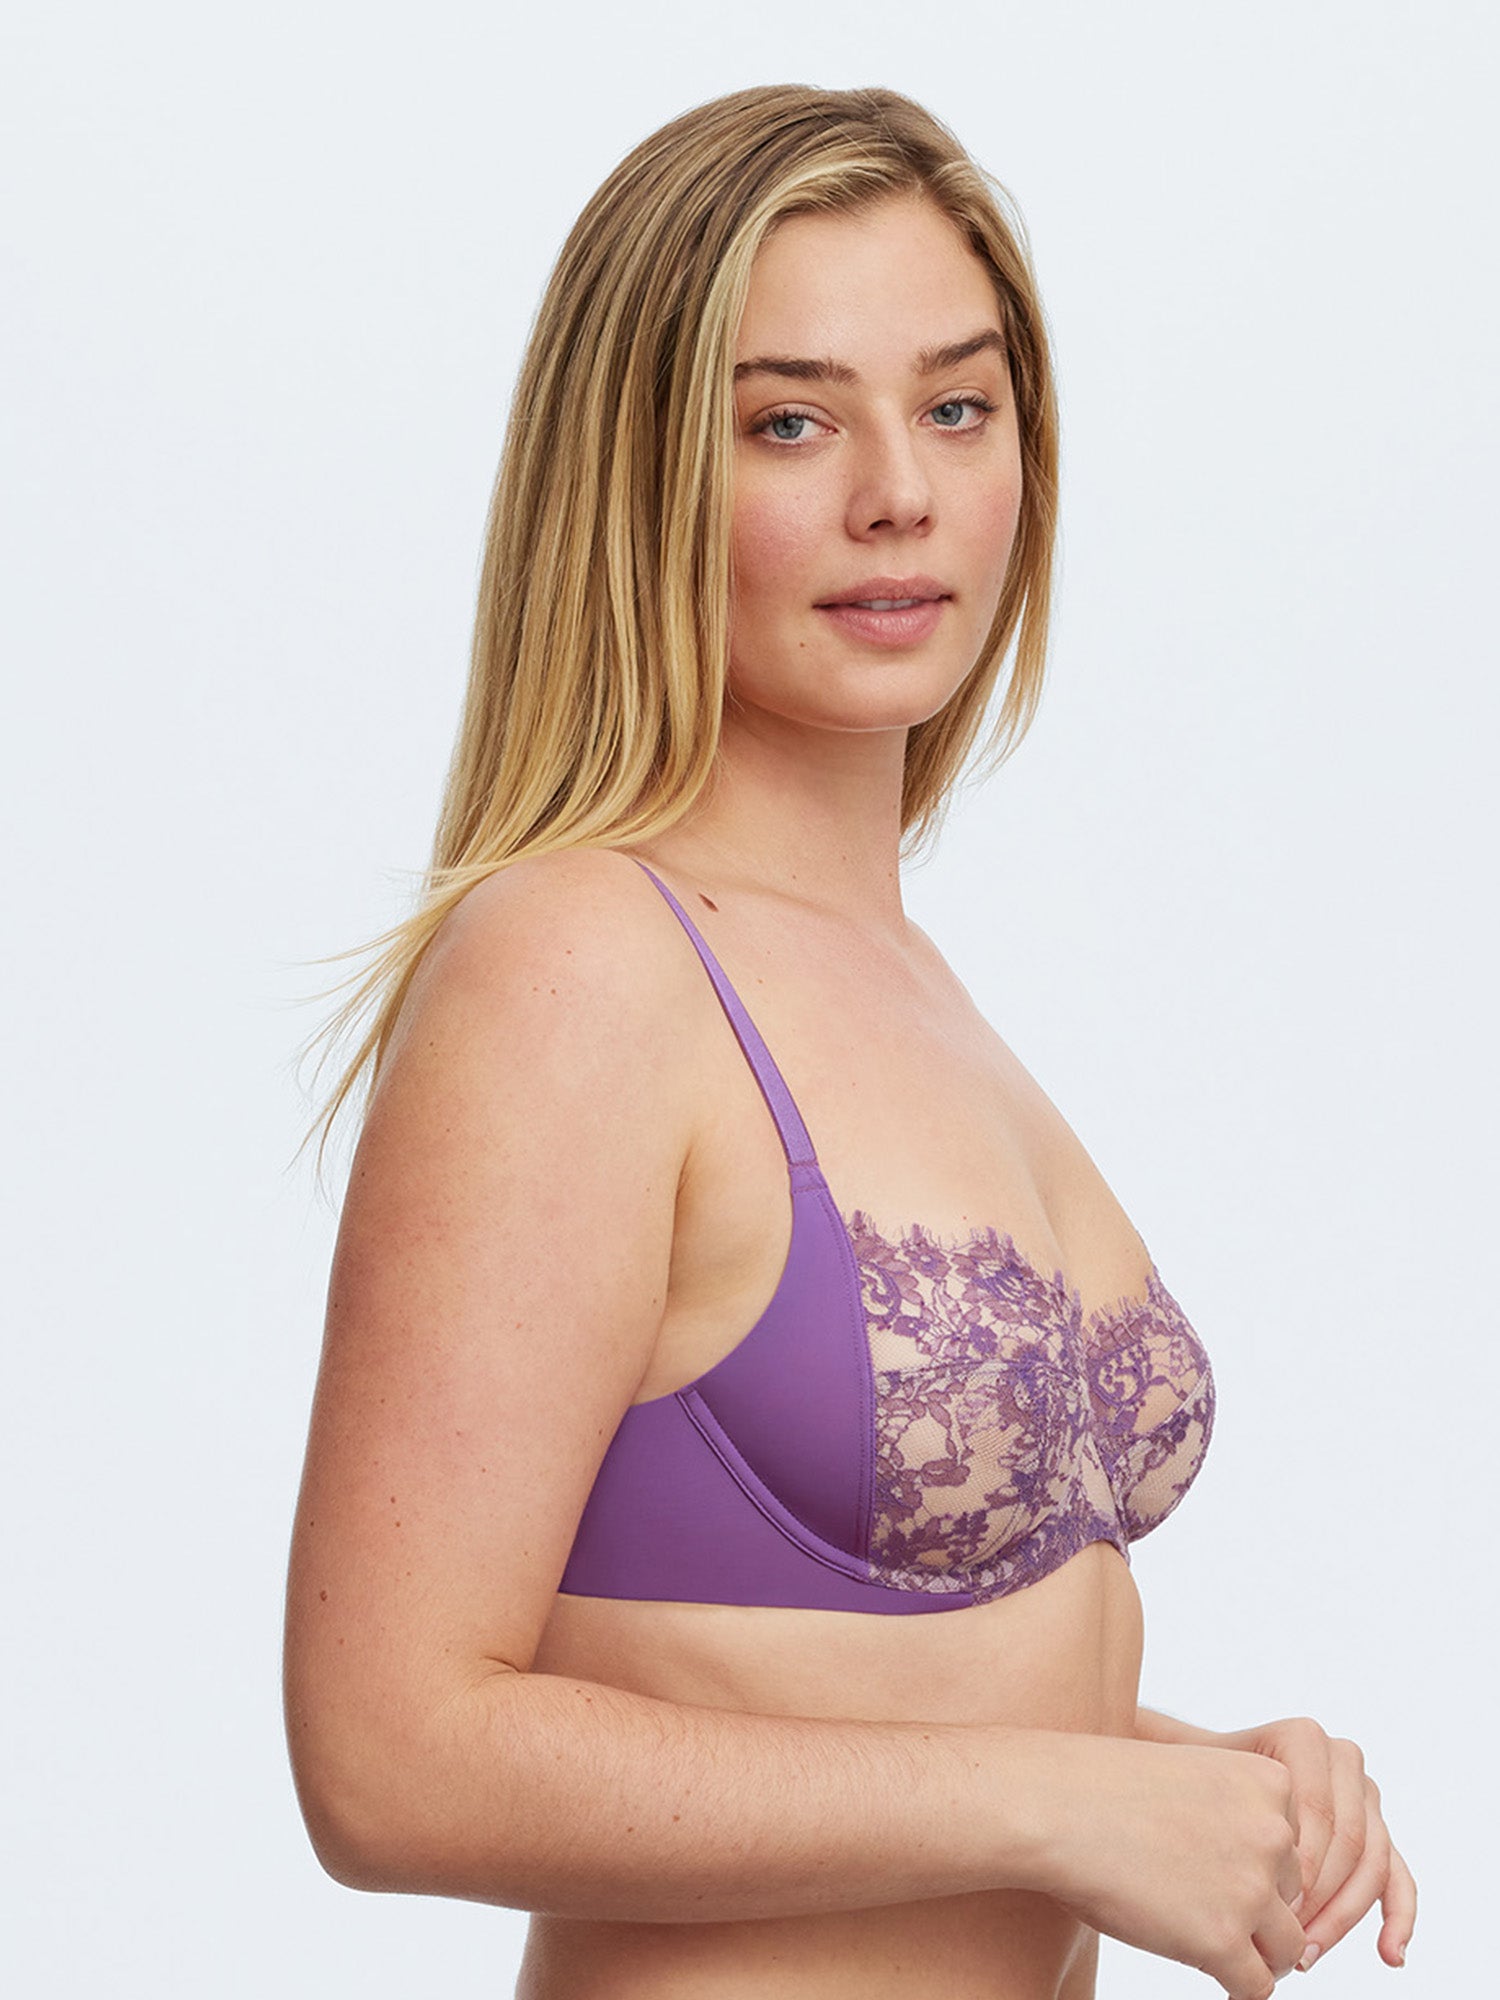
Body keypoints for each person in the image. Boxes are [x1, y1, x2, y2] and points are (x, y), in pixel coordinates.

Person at [283, 83, 1416, 2000]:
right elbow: (390, 1757)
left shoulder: (912, 983)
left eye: (958, 407)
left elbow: (834, 1686)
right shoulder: (582, 966)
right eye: (791, 422)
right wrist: (1053, 1806)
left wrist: (1180, 1783)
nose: (899, 491)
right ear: (641, 475)